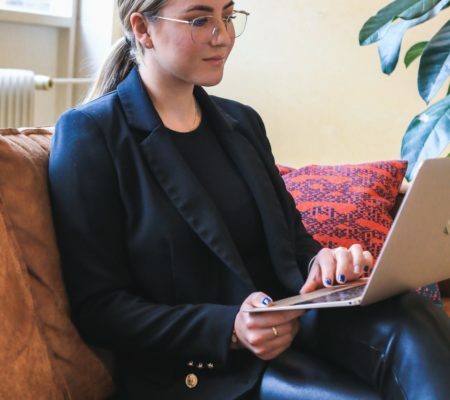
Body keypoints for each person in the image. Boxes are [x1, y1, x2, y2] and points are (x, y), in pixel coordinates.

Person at [48, 0, 450, 399]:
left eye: (227, 15)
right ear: (142, 28)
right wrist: (230, 329)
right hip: (199, 370)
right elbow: (99, 308)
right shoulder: (91, 135)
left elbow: (295, 245)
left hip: (292, 327)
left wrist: (324, 264)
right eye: (200, 19)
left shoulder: (242, 123)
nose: (222, 36)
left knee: (411, 313)